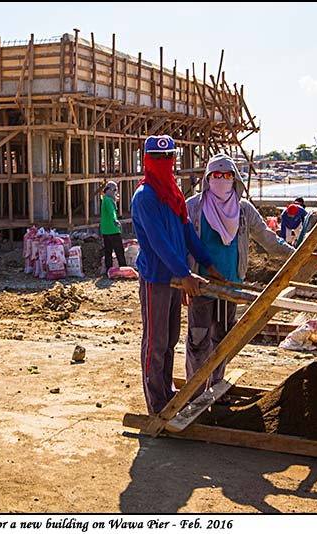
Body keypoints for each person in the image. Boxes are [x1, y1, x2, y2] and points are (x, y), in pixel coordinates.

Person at [184, 153, 295, 398]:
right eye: (216, 175)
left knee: (222, 339)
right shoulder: (194, 206)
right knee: (198, 339)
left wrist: (296, 255)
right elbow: (183, 243)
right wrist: (184, 277)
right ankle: (192, 394)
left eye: (226, 175)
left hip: (232, 285)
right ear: (207, 178)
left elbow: (266, 237)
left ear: (234, 179)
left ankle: (216, 387)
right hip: (202, 286)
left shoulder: (243, 210)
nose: (221, 179)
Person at [130, 135, 223, 415]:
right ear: (148, 161)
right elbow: (159, 242)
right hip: (157, 278)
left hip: (174, 279)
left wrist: (207, 263)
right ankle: (156, 402)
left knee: (170, 339)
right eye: (159, 158)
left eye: (169, 157)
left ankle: (167, 390)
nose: (164, 162)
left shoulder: (172, 192)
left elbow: (186, 233)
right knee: (155, 342)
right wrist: (184, 274)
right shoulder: (145, 196)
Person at [100, 181, 127, 274]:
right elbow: (112, 212)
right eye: (114, 190)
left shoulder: (104, 199)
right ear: (110, 190)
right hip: (112, 229)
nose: (115, 192)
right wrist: (115, 221)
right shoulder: (108, 200)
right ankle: (123, 268)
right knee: (119, 250)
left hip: (105, 229)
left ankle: (109, 270)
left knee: (108, 251)